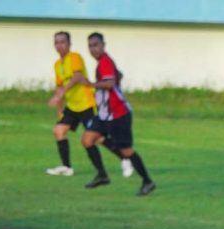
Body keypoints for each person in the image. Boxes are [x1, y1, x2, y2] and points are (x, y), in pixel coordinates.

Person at [78, 32, 156, 196]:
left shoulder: (105, 61)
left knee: (126, 150)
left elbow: (110, 83)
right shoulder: (104, 63)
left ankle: (147, 181)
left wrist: (89, 84)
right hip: (105, 114)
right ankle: (102, 175)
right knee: (88, 139)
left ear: (103, 45)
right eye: (90, 46)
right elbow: (118, 75)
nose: (93, 49)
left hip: (118, 114)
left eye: (96, 45)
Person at [45, 31, 96, 177]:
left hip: (86, 104)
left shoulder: (74, 57)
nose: (59, 45)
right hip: (73, 107)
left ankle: (125, 156)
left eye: (62, 42)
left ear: (69, 44)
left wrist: (62, 93)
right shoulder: (57, 65)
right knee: (59, 130)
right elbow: (59, 88)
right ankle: (67, 167)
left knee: (96, 138)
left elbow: (78, 77)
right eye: (57, 42)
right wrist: (59, 109)